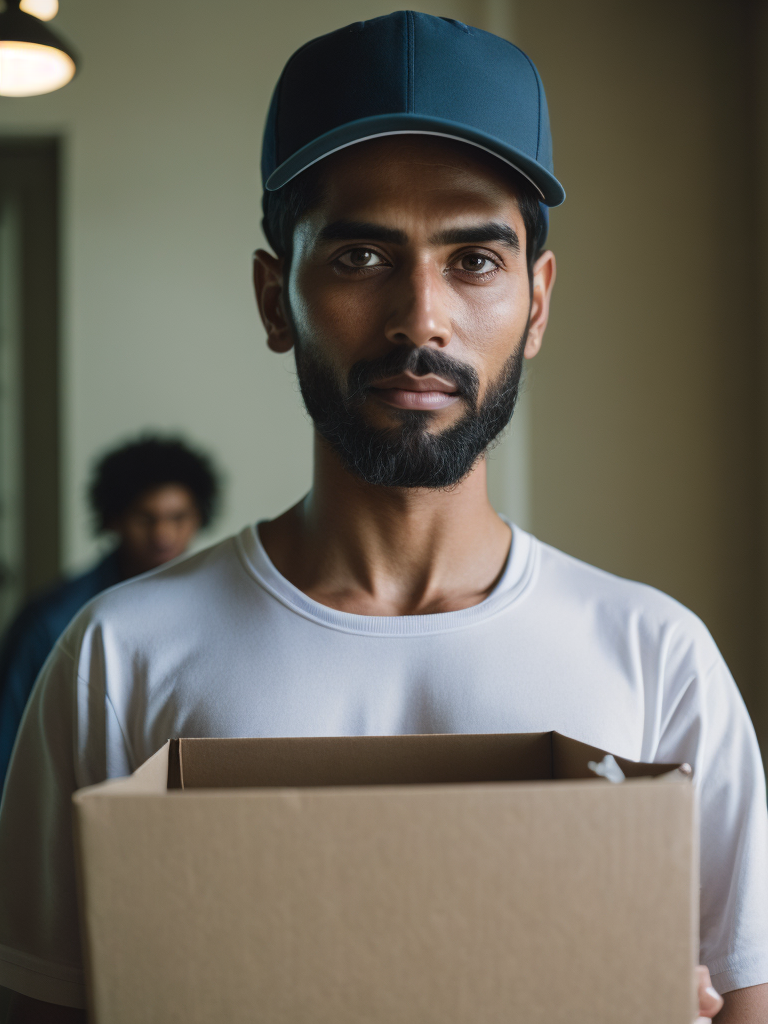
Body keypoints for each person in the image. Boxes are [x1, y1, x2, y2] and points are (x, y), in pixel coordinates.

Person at [0, 13, 765, 1023]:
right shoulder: (121, 656)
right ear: (277, 300)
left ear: (537, 303)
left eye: (474, 260)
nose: (421, 318)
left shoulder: (656, 658)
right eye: (361, 257)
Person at [0, 435, 218, 789]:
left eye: (179, 517)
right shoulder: (53, 621)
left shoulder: (220, 606)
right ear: (114, 519)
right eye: (146, 518)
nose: (163, 534)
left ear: (199, 518)